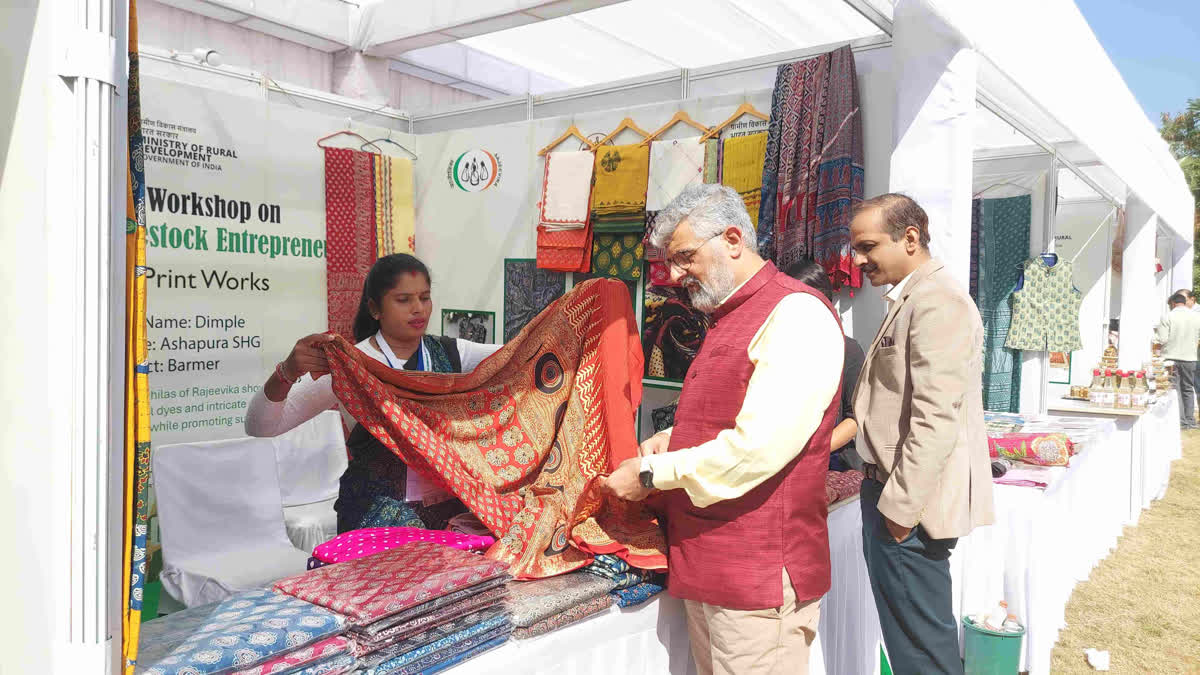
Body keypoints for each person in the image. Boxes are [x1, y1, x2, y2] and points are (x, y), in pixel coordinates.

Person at [603, 184, 843, 675]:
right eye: (671, 261)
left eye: (685, 257)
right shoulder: (727, 317)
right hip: (712, 566)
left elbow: (758, 448)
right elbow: (732, 420)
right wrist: (672, 440)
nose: (673, 275)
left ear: (733, 238)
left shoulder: (794, 313)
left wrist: (651, 473)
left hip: (755, 575)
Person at [245, 253, 502, 532]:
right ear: (375, 308)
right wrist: (286, 372)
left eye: (424, 297)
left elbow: (522, 355)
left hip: (449, 512)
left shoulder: (453, 355)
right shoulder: (350, 365)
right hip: (379, 517)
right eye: (403, 300)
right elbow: (261, 427)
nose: (418, 309)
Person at [849, 193, 994, 674]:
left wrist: (900, 511)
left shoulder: (938, 301)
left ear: (909, 238)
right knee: (910, 643)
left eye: (868, 245)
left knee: (921, 651)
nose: (858, 259)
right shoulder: (914, 296)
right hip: (891, 495)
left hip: (908, 505)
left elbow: (935, 416)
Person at [783, 258, 866, 471]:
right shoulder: (777, 347)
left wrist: (812, 452)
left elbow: (855, 418)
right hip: (783, 459)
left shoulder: (847, 350)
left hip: (832, 461)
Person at [1155, 292, 1200, 429]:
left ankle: (1180, 420)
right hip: (1190, 357)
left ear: (1173, 303)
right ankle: (1190, 420)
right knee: (1188, 389)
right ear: (1184, 303)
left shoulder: (1168, 316)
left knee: (1175, 390)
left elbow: (1162, 339)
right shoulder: (1196, 316)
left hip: (1171, 358)